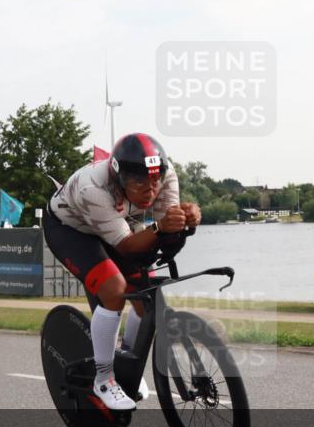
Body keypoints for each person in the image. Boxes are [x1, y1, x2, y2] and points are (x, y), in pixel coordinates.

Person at [43, 133, 202, 410]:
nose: (149, 190)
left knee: (146, 295)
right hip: (71, 230)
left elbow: (165, 225)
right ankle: (104, 379)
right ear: (119, 177)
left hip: (113, 225)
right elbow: (129, 246)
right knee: (114, 290)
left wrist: (187, 217)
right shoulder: (92, 186)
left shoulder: (165, 172)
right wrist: (161, 227)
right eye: (138, 182)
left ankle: (125, 364)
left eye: (154, 181)